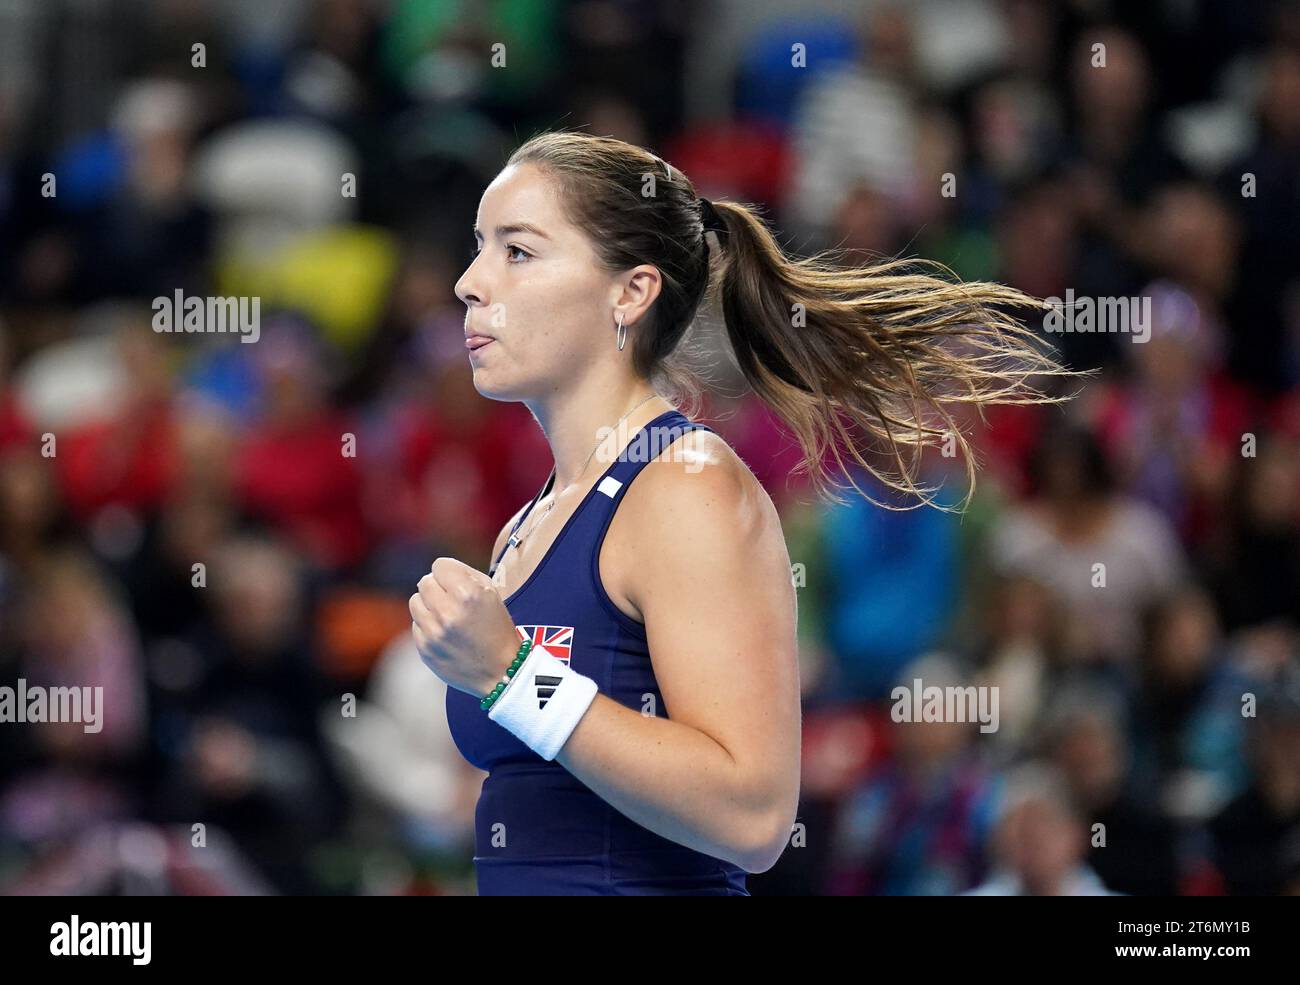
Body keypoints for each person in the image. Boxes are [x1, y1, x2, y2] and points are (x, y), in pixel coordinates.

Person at [407, 129, 1078, 895]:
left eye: (516, 251)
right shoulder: (525, 524)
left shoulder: (686, 487)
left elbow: (753, 816)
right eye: (478, 247)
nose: (469, 282)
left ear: (630, 292)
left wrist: (513, 673)